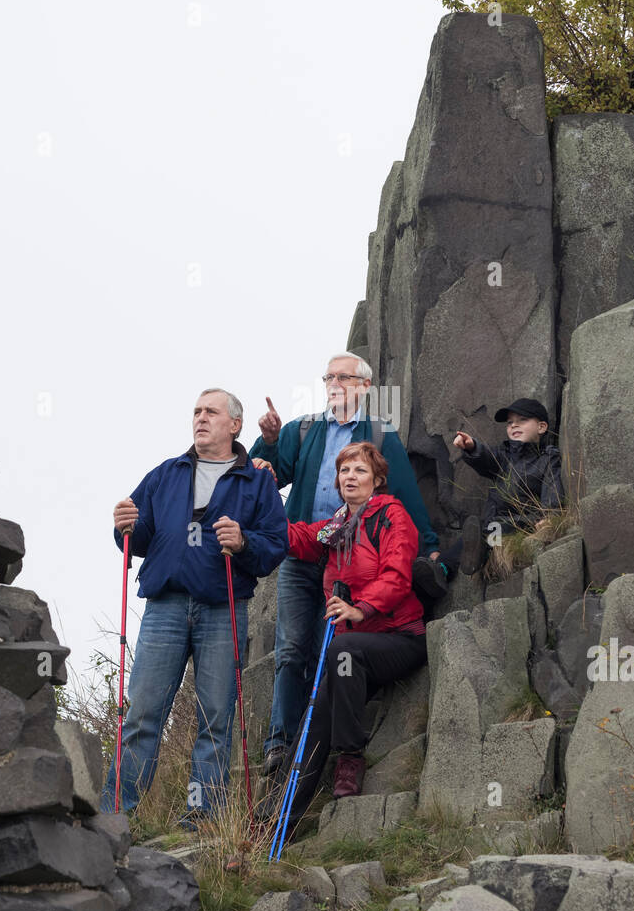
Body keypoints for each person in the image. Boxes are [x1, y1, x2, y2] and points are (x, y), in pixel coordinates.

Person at [100, 388, 289, 825]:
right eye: (196, 412)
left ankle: (202, 818)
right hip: (165, 606)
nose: (200, 418)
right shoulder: (166, 473)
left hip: (224, 607)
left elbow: (274, 546)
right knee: (143, 714)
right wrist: (123, 526)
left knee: (217, 720)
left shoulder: (258, 480)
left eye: (211, 412)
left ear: (234, 425)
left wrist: (243, 542)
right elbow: (138, 540)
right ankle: (113, 817)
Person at [249, 352, 440, 776]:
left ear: (365, 386)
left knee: (328, 650)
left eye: (343, 377)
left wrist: (429, 549)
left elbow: (406, 494)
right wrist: (268, 441)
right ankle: (279, 744)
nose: (334, 382)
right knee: (290, 650)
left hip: (349, 563)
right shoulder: (304, 430)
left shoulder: (379, 433)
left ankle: (312, 743)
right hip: (305, 553)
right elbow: (271, 474)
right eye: (329, 376)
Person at [259, 440, 426, 842]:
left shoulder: (391, 515)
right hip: (348, 655)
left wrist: (360, 609)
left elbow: (397, 575)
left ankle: (350, 757)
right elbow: (298, 537)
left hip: (398, 638)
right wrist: (260, 500)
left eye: (359, 471)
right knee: (312, 721)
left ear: (377, 480)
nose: (349, 477)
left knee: (340, 650)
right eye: (344, 471)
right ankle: (277, 821)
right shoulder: (337, 525)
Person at [421, 398, 563, 580]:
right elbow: (487, 458)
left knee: (491, 530)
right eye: (510, 422)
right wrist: (471, 446)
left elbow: (553, 488)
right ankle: (441, 568)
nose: (514, 426)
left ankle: (477, 557)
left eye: (522, 420)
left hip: (525, 523)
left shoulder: (547, 458)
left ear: (541, 427)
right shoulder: (504, 454)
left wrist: (548, 517)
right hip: (492, 523)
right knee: (479, 531)